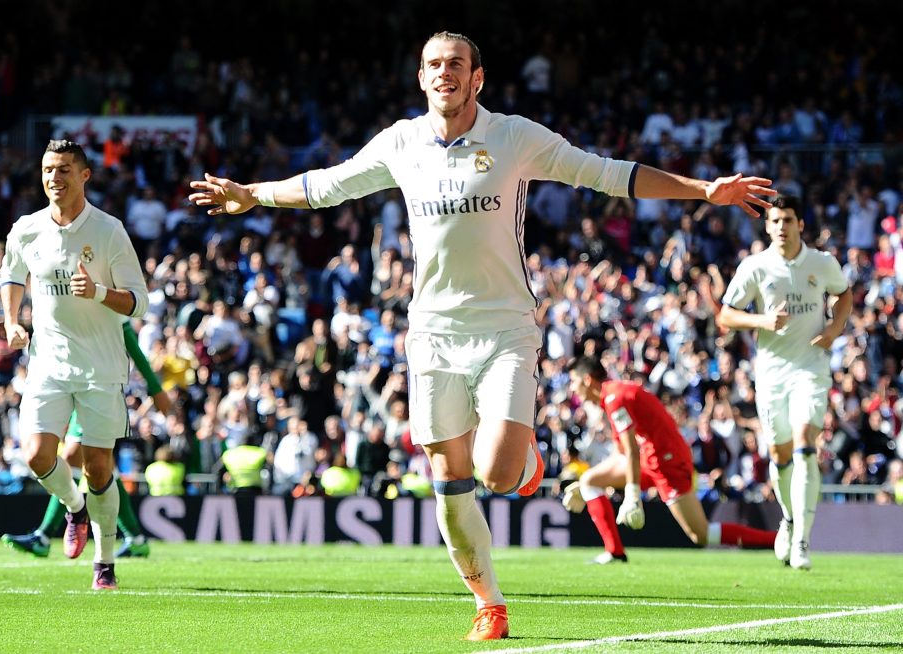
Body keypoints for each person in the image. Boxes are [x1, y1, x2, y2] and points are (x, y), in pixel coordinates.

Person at [188, 31, 775, 640]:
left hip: (505, 329)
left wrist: (704, 190)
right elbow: (326, 185)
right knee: (449, 482)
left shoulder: (515, 137)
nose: (445, 73)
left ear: (477, 78)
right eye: (433, 65)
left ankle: (522, 467)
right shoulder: (401, 142)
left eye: (456, 65)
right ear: (421, 78)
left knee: (497, 475)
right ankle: (489, 604)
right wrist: (252, 195)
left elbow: (605, 174)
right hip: (433, 333)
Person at [0, 139, 149, 591]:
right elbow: (11, 274)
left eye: (64, 169)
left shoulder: (108, 231)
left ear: (85, 175)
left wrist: (99, 292)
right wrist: (10, 321)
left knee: (99, 468)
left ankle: (104, 562)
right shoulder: (26, 228)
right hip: (47, 362)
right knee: (37, 455)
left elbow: (138, 302)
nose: (54, 178)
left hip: (101, 367)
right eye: (48, 169)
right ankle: (74, 508)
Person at [716, 195, 851, 570]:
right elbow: (726, 315)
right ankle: (789, 520)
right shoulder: (756, 267)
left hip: (810, 367)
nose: (780, 227)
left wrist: (834, 328)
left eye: (787, 220)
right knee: (779, 454)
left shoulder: (821, 263)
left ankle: (804, 541)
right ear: (767, 226)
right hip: (772, 373)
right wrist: (762, 322)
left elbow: (844, 294)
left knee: (807, 440)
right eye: (775, 221)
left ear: (800, 225)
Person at [562, 356, 777, 563]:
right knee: (590, 480)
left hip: (668, 463)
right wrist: (585, 486)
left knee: (700, 535)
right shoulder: (613, 395)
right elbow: (622, 453)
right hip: (651, 460)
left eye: (573, 381)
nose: (571, 388)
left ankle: (776, 540)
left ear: (587, 379)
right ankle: (614, 552)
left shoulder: (614, 398)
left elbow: (630, 452)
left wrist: (632, 495)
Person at [1, 318, 171, 559]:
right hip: (68, 381)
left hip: (98, 384)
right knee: (98, 465)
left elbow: (126, 334)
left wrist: (155, 388)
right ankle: (134, 537)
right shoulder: (58, 292)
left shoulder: (101, 287)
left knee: (80, 459)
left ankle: (48, 534)